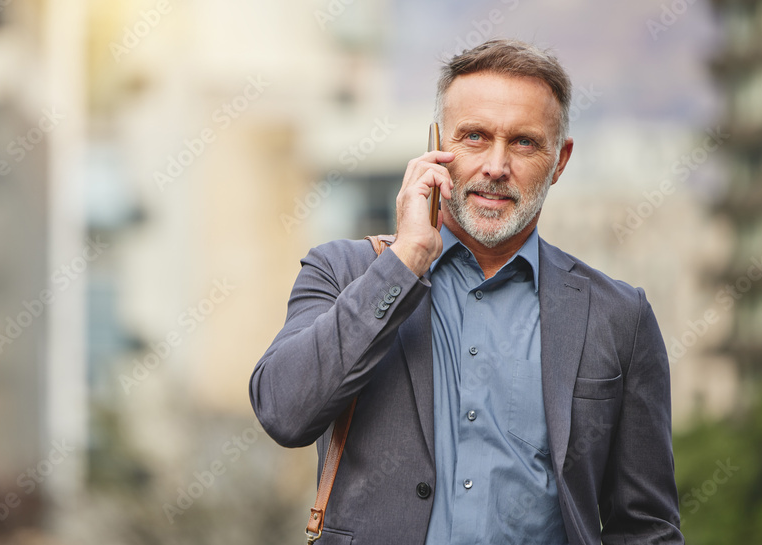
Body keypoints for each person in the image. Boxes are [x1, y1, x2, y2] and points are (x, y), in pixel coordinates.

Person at [249, 39, 683, 544]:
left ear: (560, 160)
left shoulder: (618, 316)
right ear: (438, 146)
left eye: (523, 142)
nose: (496, 166)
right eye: (474, 137)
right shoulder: (342, 271)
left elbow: (647, 527)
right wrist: (406, 259)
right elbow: (284, 411)